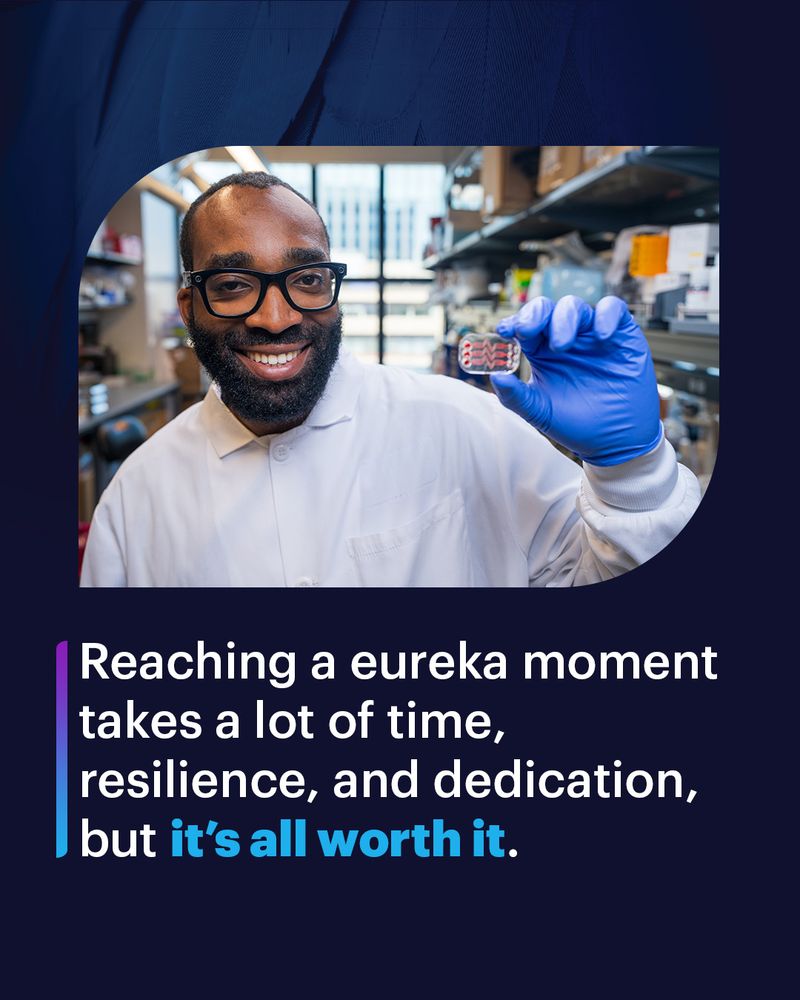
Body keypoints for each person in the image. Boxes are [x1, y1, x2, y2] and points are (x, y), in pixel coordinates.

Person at [80, 172, 700, 588]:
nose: (276, 317)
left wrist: (633, 474)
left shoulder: (467, 427)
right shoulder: (137, 501)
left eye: (308, 279)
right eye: (234, 285)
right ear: (189, 306)